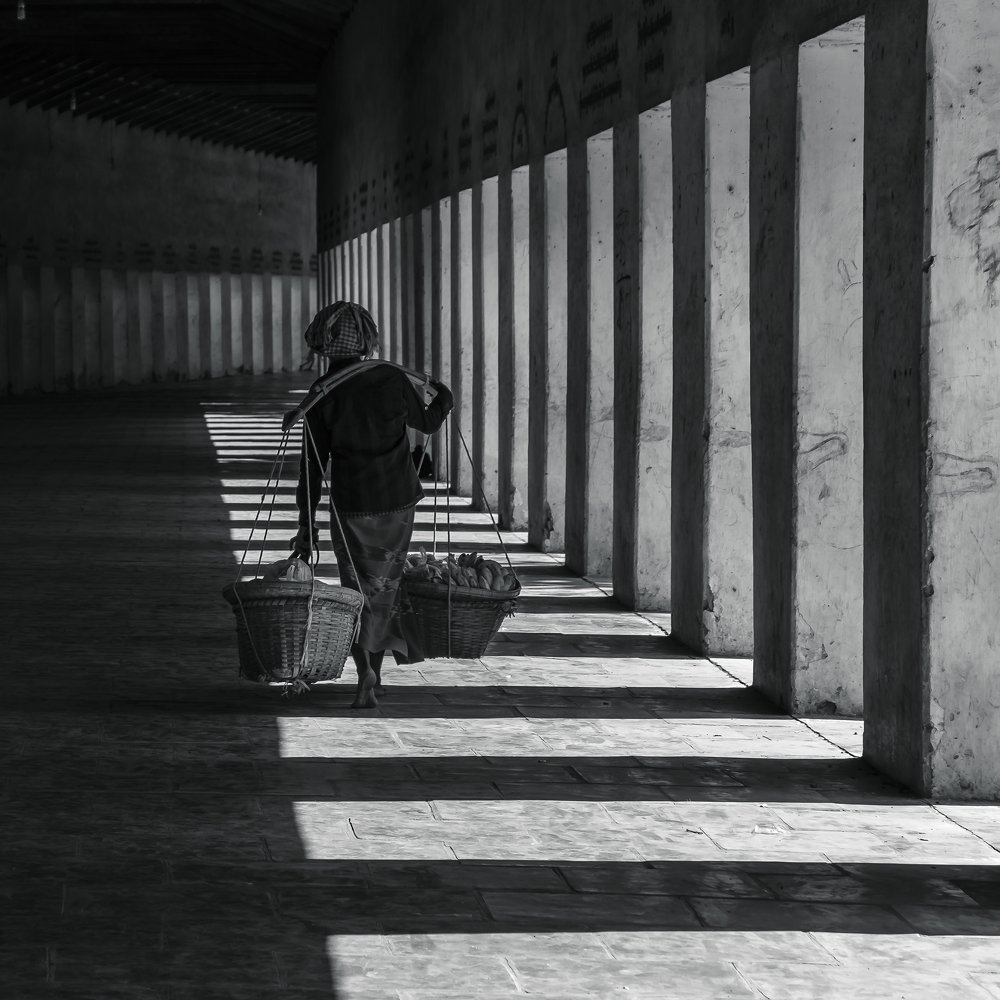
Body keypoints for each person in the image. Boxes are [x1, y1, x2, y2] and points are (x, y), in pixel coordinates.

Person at [292, 301, 453, 708]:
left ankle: (365, 669)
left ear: (324, 345)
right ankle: (374, 674)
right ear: (366, 341)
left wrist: (306, 525)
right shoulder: (391, 378)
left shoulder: (321, 393)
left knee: (357, 589)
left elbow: (312, 466)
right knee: (385, 588)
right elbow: (428, 422)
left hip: (352, 506)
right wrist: (445, 398)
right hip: (397, 503)